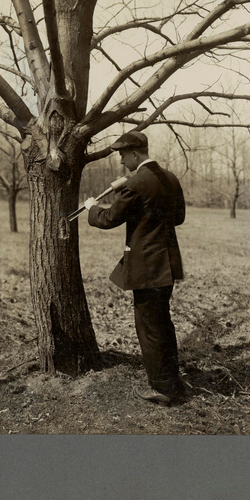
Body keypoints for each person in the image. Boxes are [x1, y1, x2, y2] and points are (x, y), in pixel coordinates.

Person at [85, 130, 186, 405]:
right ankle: (172, 382)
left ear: (133, 154)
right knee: (163, 323)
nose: (120, 161)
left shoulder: (136, 183)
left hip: (147, 268)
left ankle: (162, 388)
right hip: (167, 265)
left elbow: (107, 219)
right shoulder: (171, 178)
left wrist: (91, 207)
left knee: (149, 327)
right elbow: (178, 217)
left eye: (121, 155)